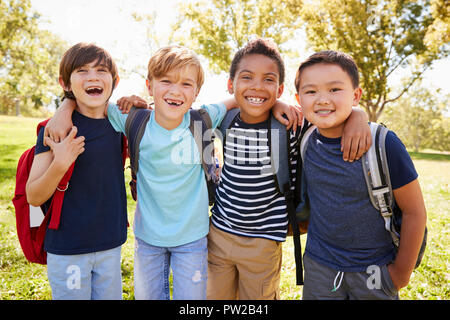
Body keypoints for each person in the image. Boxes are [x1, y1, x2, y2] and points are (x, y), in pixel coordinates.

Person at [44, 45, 299, 300]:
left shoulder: (203, 119)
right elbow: (90, 100)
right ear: (149, 85)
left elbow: (242, 99)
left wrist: (278, 103)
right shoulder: (134, 119)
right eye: (165, 81)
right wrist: (64, 108)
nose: (175, 91)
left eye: (186, 84)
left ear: (196, 92)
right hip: (148, 239)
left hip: (193, 239)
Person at [207, 39, 372, 300]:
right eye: (247, 77)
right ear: (231, 85)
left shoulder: (291, 124)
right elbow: (182, 117)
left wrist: (358, 114)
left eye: (268, 80)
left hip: (262, 244)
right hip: (217, 235)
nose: (257, 86)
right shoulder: (223, 120)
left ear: (280, 88)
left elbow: (328, 113)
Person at [294, 50, 427, 300]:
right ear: (298, 99)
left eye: (335, 89)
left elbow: (415, 211)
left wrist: (400, 274)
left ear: (356, 95)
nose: (322, 99)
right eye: (311, 92)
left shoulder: (384, 144)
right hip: (320, 267)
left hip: (375, 270)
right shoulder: (304, 138)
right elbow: (265, 104)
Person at [25, 43, 128, 300]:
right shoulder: (56, 130)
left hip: (110, 244)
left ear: (114, 81)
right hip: (67, 247)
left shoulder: (120, 124)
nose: (93, 76)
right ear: (66, 83)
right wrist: (60, 163)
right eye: (82, 70)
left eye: (101, 70)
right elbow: (33, 196)